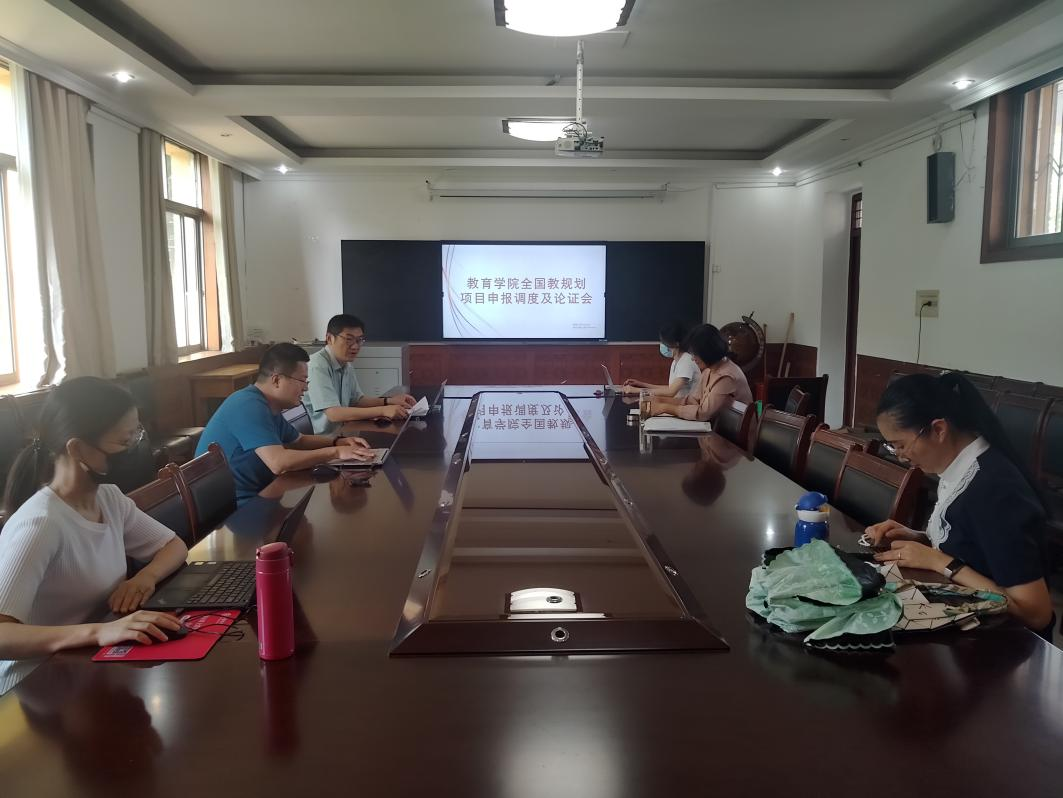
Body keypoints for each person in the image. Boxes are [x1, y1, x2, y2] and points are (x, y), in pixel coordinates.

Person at [0, 377, 190, 695]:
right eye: (125, 441)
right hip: (39, 685)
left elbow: (173, 545)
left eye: (137, 434)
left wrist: (145, 577)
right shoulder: (41, 525)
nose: (136, 448)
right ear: (77, 448)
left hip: (91, 663)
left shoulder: (108, 497)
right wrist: (99, 632)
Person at [865, 372, 1053, 636]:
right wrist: (918, 538)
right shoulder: (959, 468)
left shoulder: (993, 490)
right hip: (969, 617)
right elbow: (977, 544)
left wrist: (939, 562)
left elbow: (1035, 614)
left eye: (901, 445)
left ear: (939, 430)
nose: (900, 456)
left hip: (1007, 643)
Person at [195, 343, 374, 505]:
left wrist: (339, 442)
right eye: (302, 381)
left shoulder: (268, 405)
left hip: (261, 493)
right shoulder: (247, 405)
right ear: (276, 380)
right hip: (233, 508)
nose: (306, 388)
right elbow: (279, 462)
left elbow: (299, 441)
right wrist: (335, 452)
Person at [303, 314, 417, 435]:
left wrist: (390, 401)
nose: (355, 346)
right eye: (349, 339)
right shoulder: (317, 366)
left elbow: (357, 400)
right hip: (322, 440)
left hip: (343, 433)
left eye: (359, 340)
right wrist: (383, 411)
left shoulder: (346, 364)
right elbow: (333, 414)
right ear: (329, 338)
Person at [649, 324, 752, 422]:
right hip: (717, 428)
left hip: (731, 434)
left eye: (695, 354)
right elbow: (692, 400)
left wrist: (665, 408)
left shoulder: (726, 377)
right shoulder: (708, 371)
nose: (692, 359)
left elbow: (703, 413)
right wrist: (659, 400)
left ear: (707, 352)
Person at [622, 321, 701, 399]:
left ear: (677, 343)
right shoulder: (676, 361)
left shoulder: (687, 360)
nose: (662, 345)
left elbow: (671, 392)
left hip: (687, 405)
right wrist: (640, 384)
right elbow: (669, 388)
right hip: (679, 403)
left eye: (665, 342)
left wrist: (636, 390)